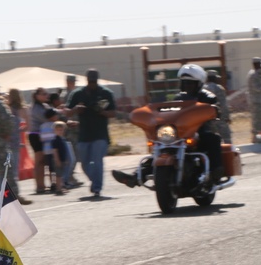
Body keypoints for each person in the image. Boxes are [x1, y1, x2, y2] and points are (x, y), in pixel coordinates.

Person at [113, 63, 225, 187]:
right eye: (184, 82)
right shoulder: (178, 97)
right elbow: (168, 112)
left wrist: (215, 110)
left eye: (190, 83)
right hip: (179, 132)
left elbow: (216, 109)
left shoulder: (208, 97)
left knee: (213, 138)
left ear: (198, 84)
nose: (187, 85)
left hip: (199, 132)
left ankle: (215, 173)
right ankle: (135, 177)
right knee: (159, 149)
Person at [66, 69, 116, 198]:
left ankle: (97, 188)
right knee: (84, 162)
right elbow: (67, 111)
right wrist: (76, 109)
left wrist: (101, 111)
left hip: (100, 134)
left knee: (97, 160)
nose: (92, 83)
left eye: (94, 80)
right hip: (84, 134)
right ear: (86, 79)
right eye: (90, 80)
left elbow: (113, 113)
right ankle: (95, 181)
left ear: (97, 79)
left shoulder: (105, 93)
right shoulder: (78, 94)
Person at [4, 88, 32, 204]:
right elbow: (28, 126)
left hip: (7, 139)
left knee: (8, 166)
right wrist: (19, 130)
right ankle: (14, 193)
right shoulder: (23, 109)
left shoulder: (7, 108)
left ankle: (8, 192)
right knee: (15, 167)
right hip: (18, 140)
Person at [26, 87, 52, 194]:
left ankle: (42, 184)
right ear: (36, 96)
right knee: (39, 161)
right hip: (36, 135)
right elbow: (47, 118)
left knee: (43, 161)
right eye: (43, 94)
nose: (46, 95)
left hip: (44, 135)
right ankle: (39, 185)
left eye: (46, 93)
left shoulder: (45, 106)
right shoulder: (36, 108)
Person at [203, 69, 232, 144]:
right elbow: (223, 104)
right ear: (214, 78)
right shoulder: (218, 88)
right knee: (226, 137)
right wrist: (227, 117)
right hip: (219, 117)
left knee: (212, 139)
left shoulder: (203, 89)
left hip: (208, 119)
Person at [246, 57, 261, 143]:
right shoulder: (253, 74)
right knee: (256, 119)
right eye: (259, 64)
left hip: (259, 100)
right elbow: (257, 87)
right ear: (255, 64)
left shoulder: (257, 74)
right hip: (255, 101)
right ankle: (254, 137)